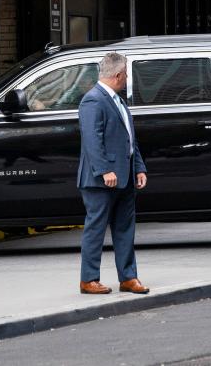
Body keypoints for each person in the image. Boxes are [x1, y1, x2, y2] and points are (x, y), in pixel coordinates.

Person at [76, 52, 149, 295]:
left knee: (125, 229)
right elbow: (92, 139)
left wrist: (139, 167)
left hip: (125, 177)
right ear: (118, 75)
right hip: (101, 180)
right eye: (126, 74)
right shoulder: (93, 100)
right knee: (96, 229)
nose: (127, 78)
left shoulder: (118, 101)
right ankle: (88, 280)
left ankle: (128, 277)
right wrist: (104, 170)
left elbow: (129, 139)